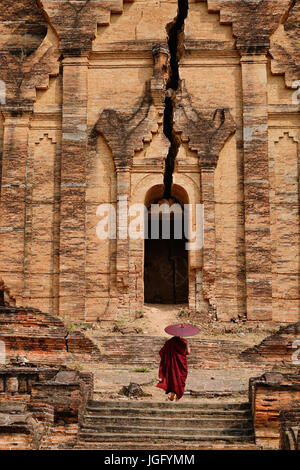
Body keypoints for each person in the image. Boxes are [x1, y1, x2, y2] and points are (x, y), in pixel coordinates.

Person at [156, 335, 190, 401]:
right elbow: (188, 352)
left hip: (172, 364)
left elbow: (161, 352)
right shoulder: (184, 342)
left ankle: (172, 397)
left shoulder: (169, 342)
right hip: (181, 364)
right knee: (179, 379)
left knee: (173, 380)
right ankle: (175, 398)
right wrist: (187, 344)